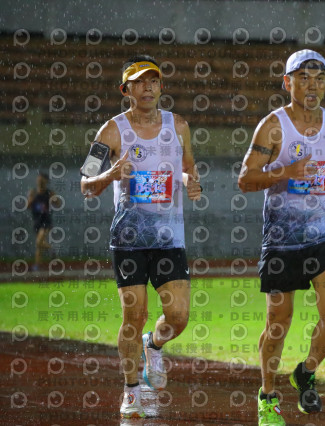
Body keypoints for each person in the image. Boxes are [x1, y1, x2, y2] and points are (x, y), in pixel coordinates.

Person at [238, 49, 325, 426]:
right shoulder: (273, 126)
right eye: (304, 78)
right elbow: (245, 180)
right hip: (281, 238)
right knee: (278, 323)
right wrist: (287, 172)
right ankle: (267, 395)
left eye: (319, 78)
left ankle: (306, 372)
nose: (312, 86)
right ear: (287, 83)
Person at [80, 55, 202, 419]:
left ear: (161, 87)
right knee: (134, 315)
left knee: (178, 316)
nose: (147, 87)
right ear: (126, 90)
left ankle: (155, 344)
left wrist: (189, 181)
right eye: (139, 82)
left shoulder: (178, 126)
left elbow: (187, 166)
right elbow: (86, 184)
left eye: (153, 81)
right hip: (129, 239)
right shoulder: (111, 131)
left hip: (169, 239)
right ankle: (131, 390)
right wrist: (110, 175)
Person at [27, 172, 61, 270]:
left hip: (46, 220)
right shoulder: (33, 192)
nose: (40, 181)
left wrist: (53, 199)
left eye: (42, 180)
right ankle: (37, 265)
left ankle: (51, 250)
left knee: (39, 242)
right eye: (39, 179)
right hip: (37, 220)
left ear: (46, 181)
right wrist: (31, 198)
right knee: (39, 246)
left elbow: (58, 203)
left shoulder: (49, 193)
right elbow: (27, 206)